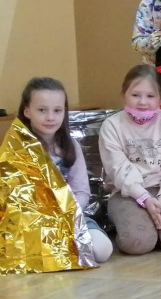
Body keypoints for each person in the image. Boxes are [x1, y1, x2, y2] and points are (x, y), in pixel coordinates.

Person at [98, 65, 161, 255]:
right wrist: (145, 199)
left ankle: (156, 229)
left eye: (150, 96)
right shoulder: (112, 126)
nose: (143, 102)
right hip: (128, 193)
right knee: (137, 244)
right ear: (124, 94)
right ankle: (144, 228)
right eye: (135, 95)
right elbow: (119, 170)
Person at [18, 77, 113, 262]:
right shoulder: (18, 148)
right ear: (27, 111)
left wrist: (68, 214)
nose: (50, 117)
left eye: (57, 110)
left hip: (70, 216)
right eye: (42, 110)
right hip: (31, 221)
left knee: (102, 249)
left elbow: (81, 191)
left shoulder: (70, 146)